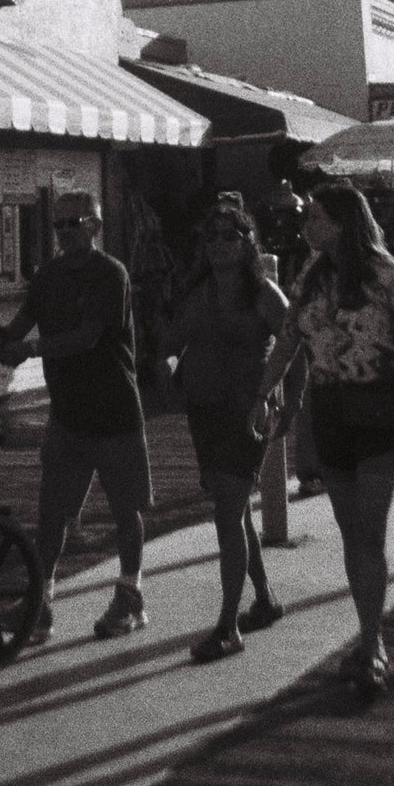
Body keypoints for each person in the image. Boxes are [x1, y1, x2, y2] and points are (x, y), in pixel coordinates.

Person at [247, 182, 394, 700]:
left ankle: (372, 643)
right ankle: (369, 631)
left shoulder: (389, 275)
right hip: (328, 409)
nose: (307, 226)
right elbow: (290, 339)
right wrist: (264, 392)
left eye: (318, 218)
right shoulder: (311, 276)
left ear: (344, 222)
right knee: (353, 532)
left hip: (376, 403)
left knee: (369, 530)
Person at [0, 190, 153, 641]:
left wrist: (30, 348)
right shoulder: (48, 275)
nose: (64, 232)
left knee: (126, 511)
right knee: (52, 512)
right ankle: (40, 602)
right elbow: (20, 323)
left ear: (95, 226)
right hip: (67, 414)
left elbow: (86, 337)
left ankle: (130, 594)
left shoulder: (111, 274)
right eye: (57, 224)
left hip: (115, 410)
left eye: (73, 223)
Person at [161, 198, 288, 663]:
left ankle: (228, 625)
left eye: (229, 236)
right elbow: (171, 344)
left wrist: (284, 401)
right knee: (235, 511)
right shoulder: (199, 293)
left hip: (246, 412)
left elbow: (293, 343)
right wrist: (171, 373)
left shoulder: (263, 295)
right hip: (205, 411)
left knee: (228, 514)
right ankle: (265, 598)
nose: (218, 244)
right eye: (211, 236)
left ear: (247, 242)